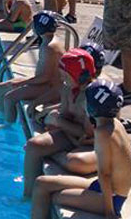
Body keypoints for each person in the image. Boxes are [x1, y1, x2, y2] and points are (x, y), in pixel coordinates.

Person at [29, 80, 131, 219]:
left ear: (92, 108)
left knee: (57, 197)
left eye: (85, 100)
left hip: (113, 197)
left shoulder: (103, 132)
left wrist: (109, 212)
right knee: (42, 183)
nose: (82, 103)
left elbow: (105, 174)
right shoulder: (114, 124)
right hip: (102, 186)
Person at [22, 48, 96, 198]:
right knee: (33, 145)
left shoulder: (91, 97)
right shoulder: (69, 88)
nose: (62, 77)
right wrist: (50, 114)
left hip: (91, 143)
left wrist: (58, 121)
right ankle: (27, 196)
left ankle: (54, 155)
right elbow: (65, 115)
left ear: (80, 76)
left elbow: (87, 135)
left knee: (75, 162)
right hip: (72, 134)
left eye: (65, 75)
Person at [0, 11, 64, 124]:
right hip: (44, 82)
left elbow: (45, 78)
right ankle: (0, 116)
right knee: (0, 88)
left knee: (9, 98)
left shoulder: (49, 47)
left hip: (50, 87)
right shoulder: (49, 41)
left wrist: (21, 83)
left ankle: (7, 126)